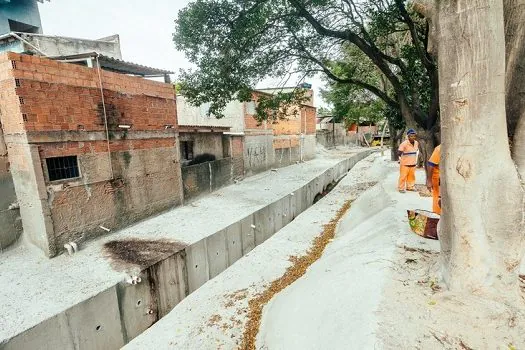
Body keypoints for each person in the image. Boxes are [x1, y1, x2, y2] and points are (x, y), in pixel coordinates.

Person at [426, 144, 441, 214]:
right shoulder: (439, 149)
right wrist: (429, 181)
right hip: (438, 178)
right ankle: (437, 213)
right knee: (438, 197)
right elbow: (431, 165)